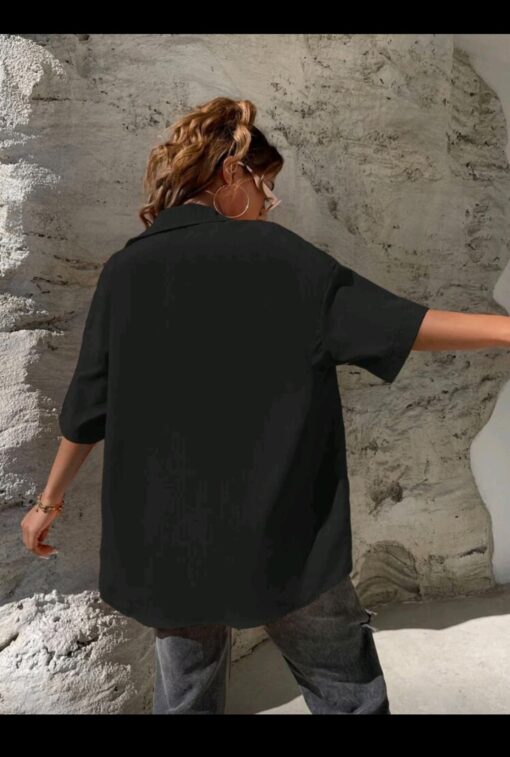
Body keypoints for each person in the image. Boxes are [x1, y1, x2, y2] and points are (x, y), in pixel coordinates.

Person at [20, 96, 510, 715]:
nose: (269, 202)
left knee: (186, 697)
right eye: (266, 185)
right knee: (345, 688)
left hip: (168, 540)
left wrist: (48, 502)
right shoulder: (281, 257)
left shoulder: (126, 270)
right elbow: (400, 324)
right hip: (281, 531)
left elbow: (89, 402)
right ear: (232, 172)